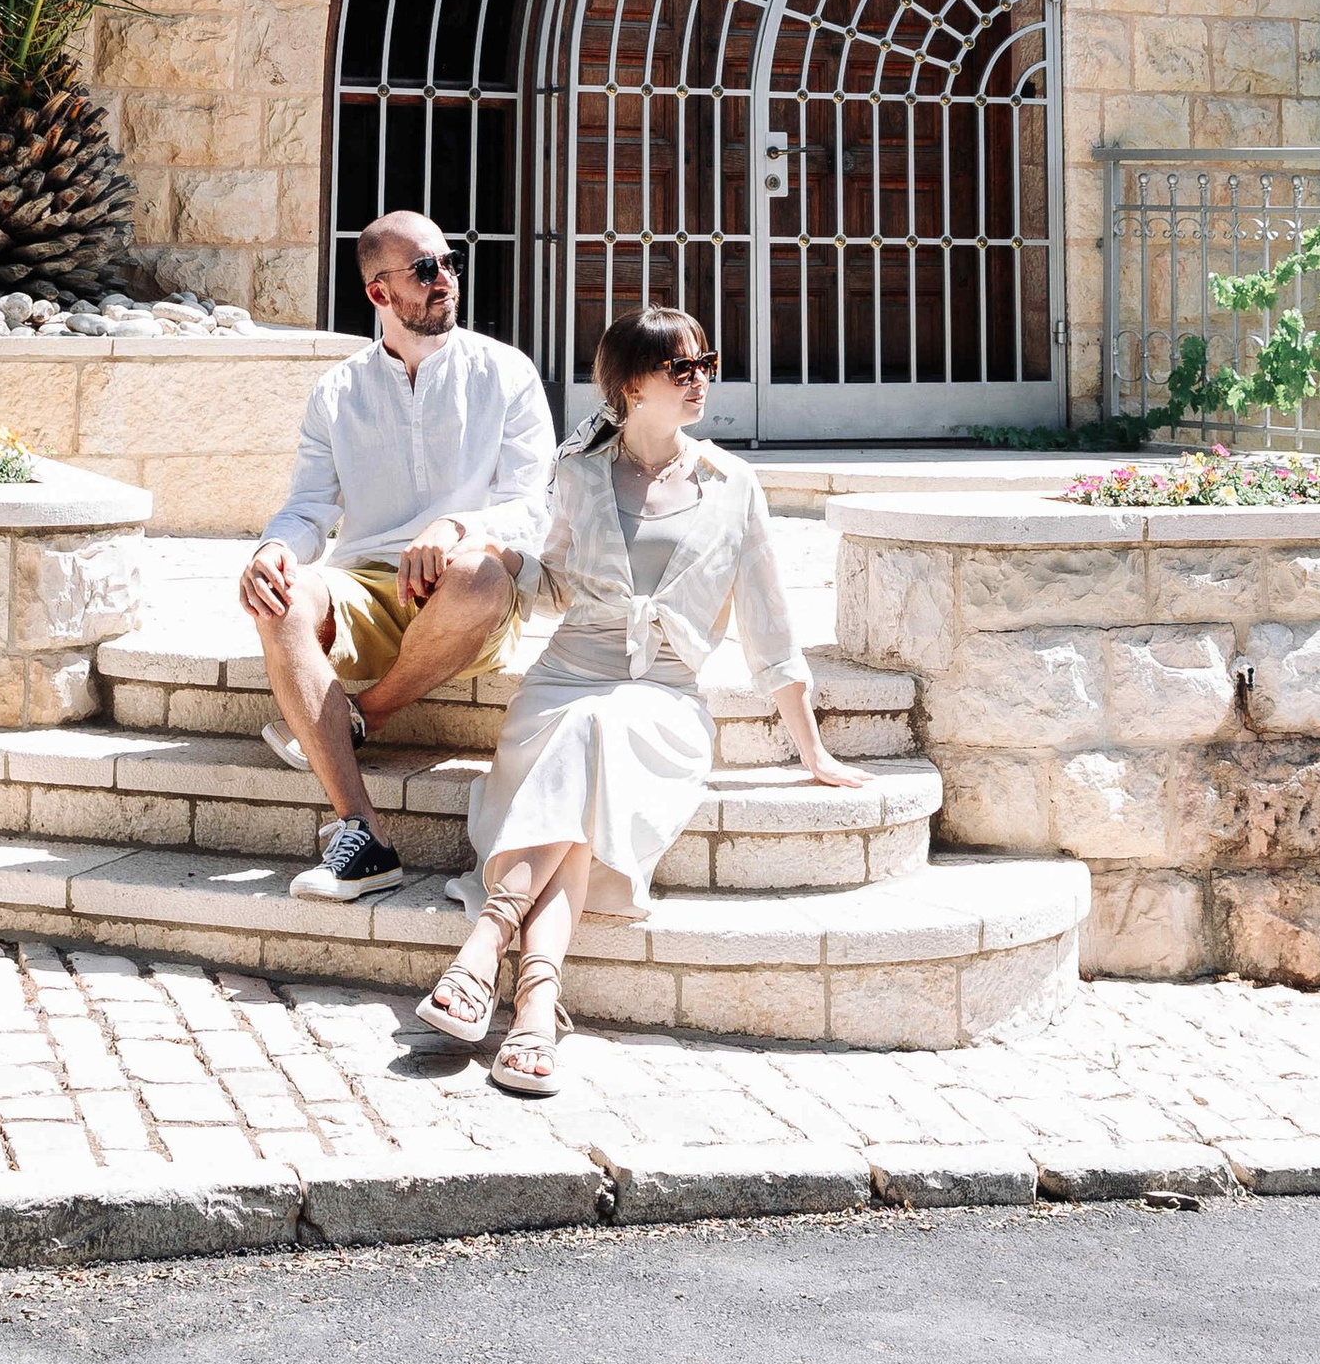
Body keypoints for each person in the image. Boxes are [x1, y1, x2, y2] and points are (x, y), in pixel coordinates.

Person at [419, 301, 863, 1095]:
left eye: (706, 364)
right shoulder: (580, 470)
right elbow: (553, 580)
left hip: (661, 697)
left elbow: (770, 630)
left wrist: (814, 751)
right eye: (678, 368)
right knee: (591, 752)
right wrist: (487, 557)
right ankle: (536, 1001)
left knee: (603, 731)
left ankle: (485, 948)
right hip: (566, 680)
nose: (700, 381)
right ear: (628, 385)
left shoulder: (734, 485)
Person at [242, 208, 555, 903]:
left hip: (466, 593)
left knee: (476, 572)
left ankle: (366, 716)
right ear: (379, 293)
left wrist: (458, 527)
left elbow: (533, 506)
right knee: (281, 596)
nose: (444, 279)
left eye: (448, 263)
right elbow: (307, 510)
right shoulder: (337, 392)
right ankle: (363, 835)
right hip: (366, 590)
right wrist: (270, 551)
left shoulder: (505, 373)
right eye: (424, 269)